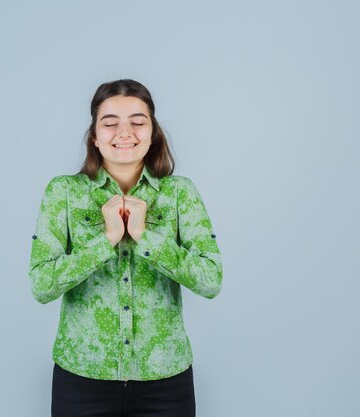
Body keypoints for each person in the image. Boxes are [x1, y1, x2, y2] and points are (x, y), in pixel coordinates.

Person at [28, 79, 223, 417]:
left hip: (166, 383)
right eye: (110, 122)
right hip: (82, 380)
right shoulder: (63, 193)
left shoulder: (180, 194)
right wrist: (105, 241)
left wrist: (145, 236)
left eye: (137, 121)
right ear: (95, 135)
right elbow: (42, 285)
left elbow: (210, 280)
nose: (125, 131)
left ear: (153, 132)